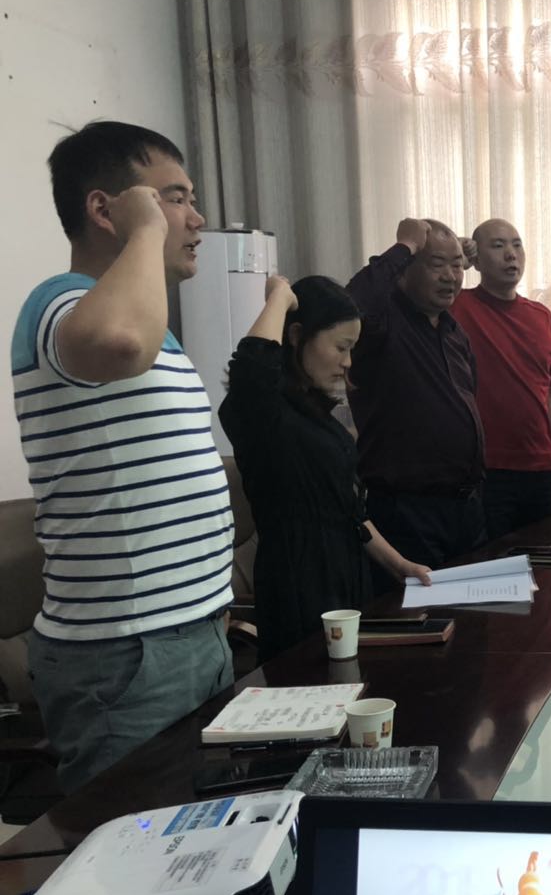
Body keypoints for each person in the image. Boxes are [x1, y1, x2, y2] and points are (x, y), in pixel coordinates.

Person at [10, 121, 234, 792]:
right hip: (125, 655)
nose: (195, 219)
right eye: (174, 198)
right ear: (105, 209)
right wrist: (145, 230)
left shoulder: (154, 332)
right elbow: (116, 342)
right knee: (132, 843)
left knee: (196, 831)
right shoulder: (61, 301)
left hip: (188, 634)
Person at [219, 275, 432, 661]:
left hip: (346, 578)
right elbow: (251, 367)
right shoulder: (262, 414)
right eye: (340, 347)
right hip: (299, 586)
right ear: (296, 336)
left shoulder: (314, 413)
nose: (347, 362)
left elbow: (349, 512)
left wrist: (399, 564)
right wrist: (279, 298)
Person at [345, 218, 486, 587]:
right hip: (406, 509)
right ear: (405, 270)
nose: (450, 276)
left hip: (465, 507)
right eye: (437, 264)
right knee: (416, 616)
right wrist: (404, 245)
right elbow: (351, 302)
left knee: (473, 614)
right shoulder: (383, 322)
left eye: (457, 265)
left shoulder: (454, 331)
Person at [453, 219, 551, 541]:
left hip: (540, 466)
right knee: (491, 560)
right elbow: (409, 292)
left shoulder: (541, 316)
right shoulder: (457, 306)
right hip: (485, 469)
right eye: (498, 246)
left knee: (544, 560)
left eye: (517, 244)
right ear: (477, 260)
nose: (511, 254)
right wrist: (455, 259)